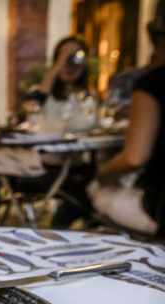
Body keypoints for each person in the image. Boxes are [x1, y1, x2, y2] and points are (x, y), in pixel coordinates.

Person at [90, 1, 165, 238]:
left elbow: (134, 158)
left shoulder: (153, 82)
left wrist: (102, 174)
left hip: (158, 210)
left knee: (95, 189)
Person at [19, 36, 98, 229]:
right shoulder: (41, 93)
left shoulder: (89, 97)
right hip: (46, 167)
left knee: (97, 183)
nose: (70, 63)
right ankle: (62, 228)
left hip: (79, 165)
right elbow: (32, 105)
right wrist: (58, 65)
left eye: (75, 57)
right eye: (64, 57)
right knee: (85, 192)